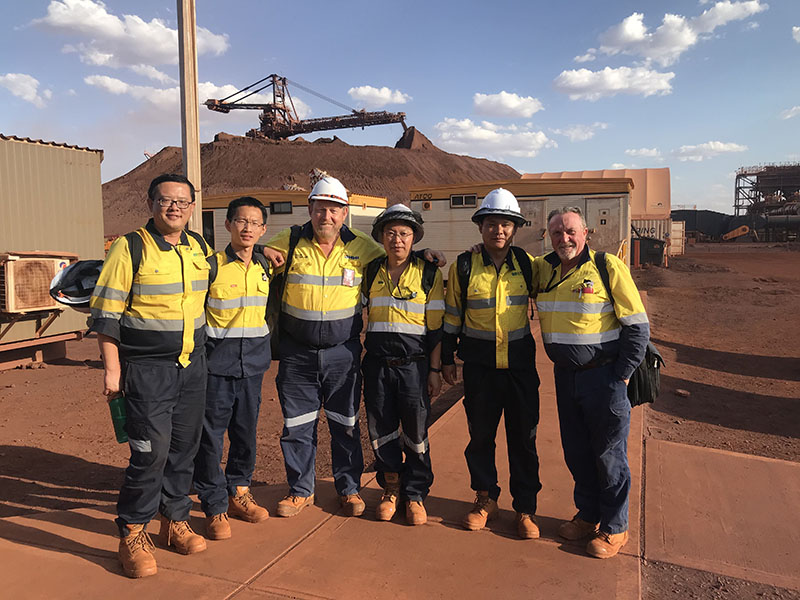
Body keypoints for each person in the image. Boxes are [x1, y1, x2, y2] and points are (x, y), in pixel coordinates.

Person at [265, 176, 445, 519]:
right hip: (297, 354)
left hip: (342, 354)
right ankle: (300, 490)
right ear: (310, 209)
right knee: (297, 425)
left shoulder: (363, 248)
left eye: (334, 210)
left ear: (344, 213)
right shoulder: (289, 240)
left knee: (345, 423)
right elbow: (254, 257)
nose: (327, 216)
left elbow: (397, 256)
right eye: (321, 209)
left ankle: (348, 489)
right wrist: (261, 250)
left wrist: (422, 254)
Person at [90, 173, 213, 578]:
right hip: (147, 371)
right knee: (149, 453)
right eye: (165, 200)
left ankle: (175, 520)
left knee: (183, 448)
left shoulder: (199, 247)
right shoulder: (129, 248)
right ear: (151, 204)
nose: (174, 207)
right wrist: (112, 371)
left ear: (192, 207)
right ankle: (133, 531)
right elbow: (106, 316)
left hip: (192, 366)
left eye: (182, 201)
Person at [536, 206, 649, 559]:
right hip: (565, 377)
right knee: (576, 451)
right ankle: (588, 515)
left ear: (586, 233)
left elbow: (637, 326)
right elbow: (507, 259)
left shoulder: (606, 266)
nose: (564, 238)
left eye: (570, 231)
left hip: (604, 377)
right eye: (557, 232)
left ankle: (615, 527)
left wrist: (622, 375)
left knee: (608, 454)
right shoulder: (543, 268)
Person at [442, 188, 543, 540]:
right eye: (491, 224)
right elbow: (452, 315)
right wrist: (446, 358)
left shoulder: (528, 265)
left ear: (515, 228)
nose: (498, 230)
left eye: (505, 224)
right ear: (480, 227)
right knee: (480, 437)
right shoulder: (464, 266)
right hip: (480, 369)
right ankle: (485, 499)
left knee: (523, 440)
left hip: (519, 369)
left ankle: (525, 509)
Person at [193, 197, 272, 541]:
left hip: (252, 365)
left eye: (254, 223)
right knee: (210, 437)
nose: (247, 228)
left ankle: (239, 491)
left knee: (245, 433)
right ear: (227, 224)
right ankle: (214, 504)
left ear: (263, 229)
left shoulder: (266, 265)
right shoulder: (210, 267)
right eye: (241, 221)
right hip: (217, 366)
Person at [362, 204, 444, 525]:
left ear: (414, 238)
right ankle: (391, 487)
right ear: (381, 237)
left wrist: (434, 371)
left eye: (404, 234)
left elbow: (435, 328)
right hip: (377, 366)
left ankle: (415, 493)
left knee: (416, 431)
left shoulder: (428, 273)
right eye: (391, 233)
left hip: (414, 368)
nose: (397, 239)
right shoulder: (370, 271)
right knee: (381, 429)